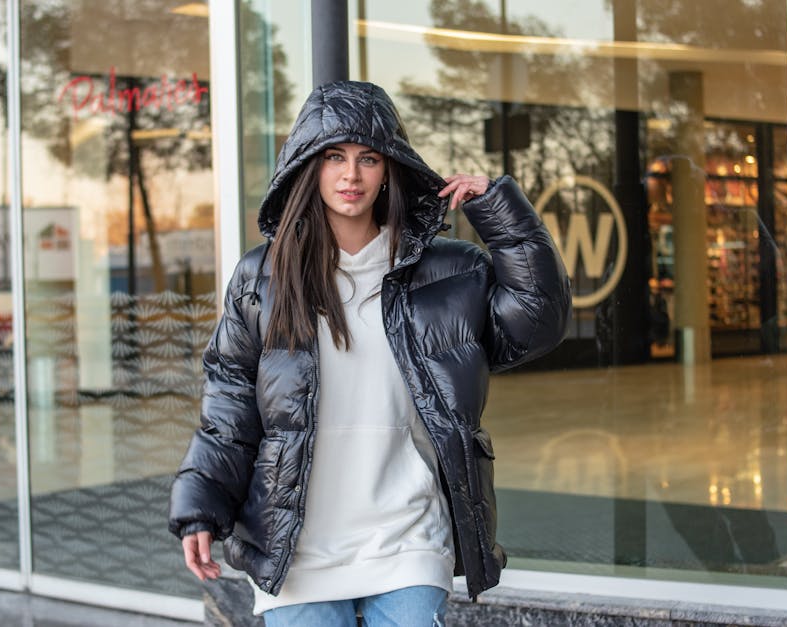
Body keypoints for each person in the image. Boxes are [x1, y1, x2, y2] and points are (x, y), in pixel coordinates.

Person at [168, 80, 571, 627]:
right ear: (308, 167)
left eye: (368, 158)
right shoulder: (261, 277)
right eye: (333, 157)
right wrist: (200, 508)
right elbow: (229, 407)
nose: (350, 175)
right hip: (298, 549)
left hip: (406, 538)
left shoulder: (449, 271)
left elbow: (538, 322)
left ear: (390, 169)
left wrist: (502, 213)